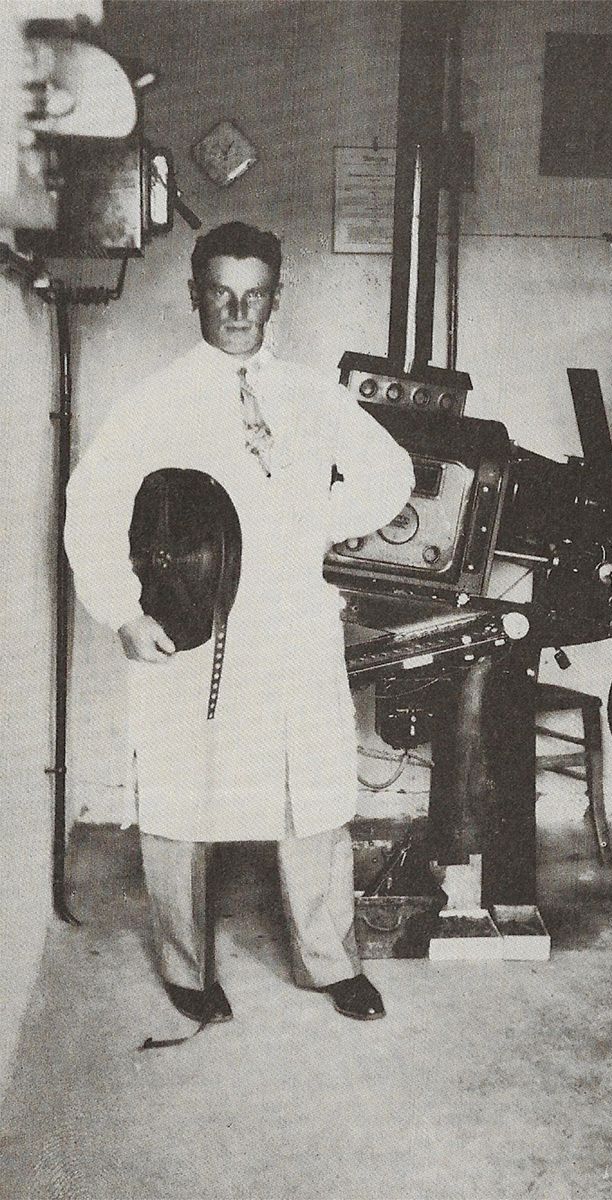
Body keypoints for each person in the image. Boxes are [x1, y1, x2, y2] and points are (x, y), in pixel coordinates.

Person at [65, 221, 415, 1025]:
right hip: (195, 626)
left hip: (291, 619)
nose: (237, 309)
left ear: (275, 299)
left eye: (253, 294)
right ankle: (187, 972)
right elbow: (91, 506)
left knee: (313, 791)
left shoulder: (310, 395)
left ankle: (332, 963)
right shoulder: (157, 400)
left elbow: (389, 473)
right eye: (221, 292)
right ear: (195, 295)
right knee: (183, 796)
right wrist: (123, 613)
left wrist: (320, 521)